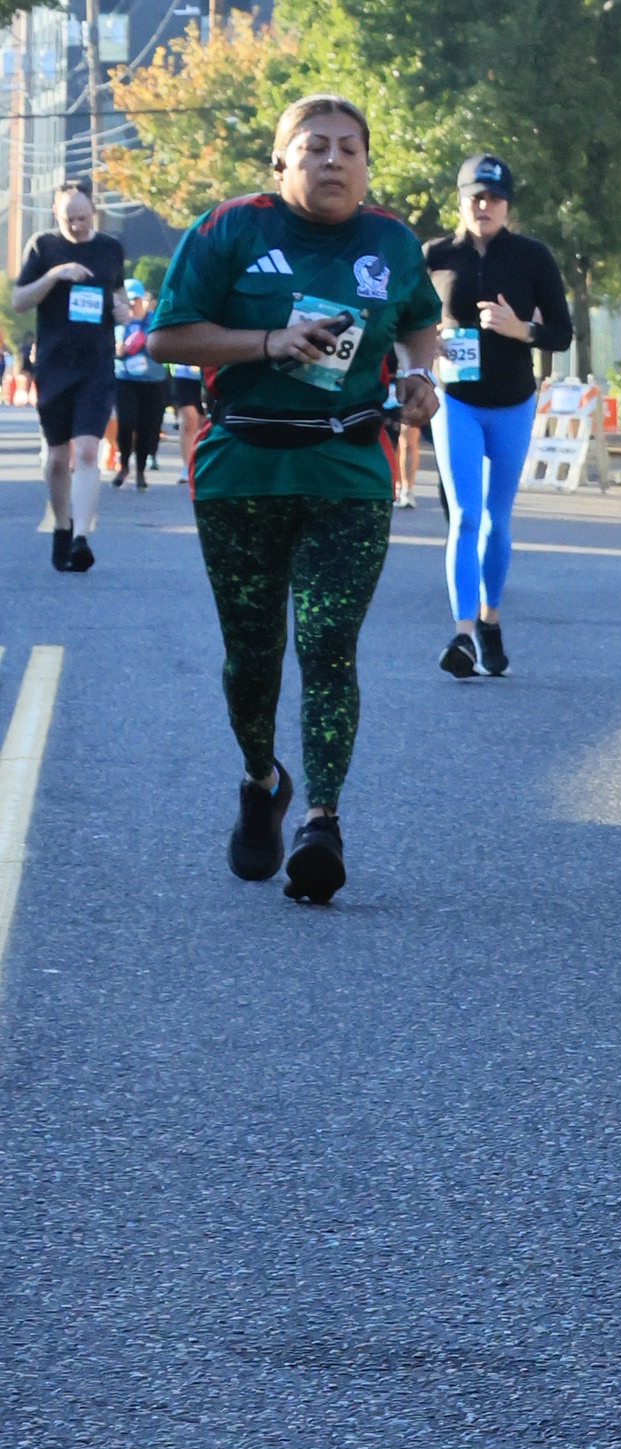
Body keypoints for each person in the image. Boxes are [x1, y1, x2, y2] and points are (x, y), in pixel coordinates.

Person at [149, 95, 442, 905]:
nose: (333, 159)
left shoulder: (390, 241)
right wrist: (268, 342)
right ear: (280, 162)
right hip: (242, 469)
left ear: (367, 165)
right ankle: (261, 778)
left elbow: (421, 320)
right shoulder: (229, 230)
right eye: (314, 146)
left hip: (348, 469)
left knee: (327, 644)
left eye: (350, 147)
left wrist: (419, 374)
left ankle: (322, 822)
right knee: (252, 659)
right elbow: (166, 336)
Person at [420, 153, 572, 677]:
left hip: (512, 401)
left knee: (495, 522)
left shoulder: (532, 257)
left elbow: (562, 333)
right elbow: (403, 319)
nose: (484, 206)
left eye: (495, 198)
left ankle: (489, 620)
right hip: (455, 401)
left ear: (507, 205)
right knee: (464, 516)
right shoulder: (435, 256)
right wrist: (428, 339)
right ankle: (462, 635)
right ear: (460, 200)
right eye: (476, 197)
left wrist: (520, 330)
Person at [15, 181, 124, 570]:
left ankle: (81, 537)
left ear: (94, 210)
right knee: (59, 459)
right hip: (55, 365)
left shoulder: (110, 248)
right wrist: (55, 275)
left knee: (89, 451)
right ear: (55, 215)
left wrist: (121, 310)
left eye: (82, 218)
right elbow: (19, 300)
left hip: (96, 364)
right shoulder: (43, 247)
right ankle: (62, 526)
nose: (77, 226)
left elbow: (118, 294)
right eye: (68, 220)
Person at [111, 291, 170, 489]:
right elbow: (109, 346)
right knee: (125, 422)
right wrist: (117, 349)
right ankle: (124, 465)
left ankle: (140, 471)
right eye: (127, 300)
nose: (131, 303)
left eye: (135, 299)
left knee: (147, 427)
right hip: (124, 379)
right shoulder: (118, 321)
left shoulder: (154, 320)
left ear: (142, 300)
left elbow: (163, 342)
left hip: (152, 381)